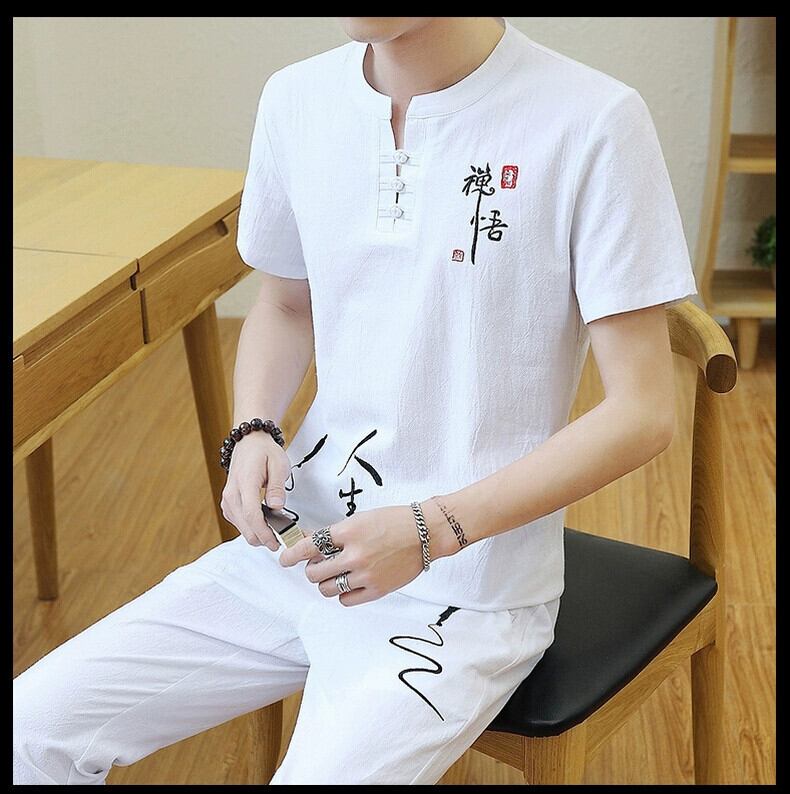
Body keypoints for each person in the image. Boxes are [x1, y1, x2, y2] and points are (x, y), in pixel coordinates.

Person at [13, 16, 698, 785]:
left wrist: (429, 530)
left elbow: (642, 413)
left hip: (466, 591)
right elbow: (286, 305)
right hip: (298, 545)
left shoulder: (593, 121)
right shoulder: (296, 100)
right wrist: (253, 429)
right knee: (26, 732)